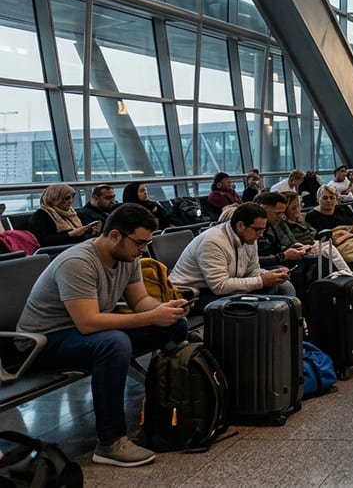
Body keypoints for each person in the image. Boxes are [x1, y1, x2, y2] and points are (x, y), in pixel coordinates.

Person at [17, 203, 188, 467]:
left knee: (174, 325)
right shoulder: (78, 262)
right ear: (116, 235)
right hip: (42, 343)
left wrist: (164, 309)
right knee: (113, 343)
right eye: (140, 243)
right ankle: (109, 441)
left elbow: (140, 300)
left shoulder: (127, 257)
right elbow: (88, 323)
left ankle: (167, 404)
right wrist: (149, 317)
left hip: (81, 333)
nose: (144, 250)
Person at [169, 203, 294, 312]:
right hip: (192, 295)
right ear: (240, 226)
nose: (261, 235)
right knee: (264, 295)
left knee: (275, 288)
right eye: (258, 230)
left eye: (263, 230)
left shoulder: (249, 237)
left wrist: (270, 274)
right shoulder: (213, 242)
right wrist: (262, 281)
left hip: (214, 289)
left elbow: (252, 271)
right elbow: (220, 286)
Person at [29, 183, 101, 247]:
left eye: (72, 197)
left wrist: (88, 233)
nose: (70, 201)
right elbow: (44, 241)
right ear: (55, 198)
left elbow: (77, 238)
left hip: (75, 248)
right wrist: (71, 234)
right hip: (56, 252)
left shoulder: (72, 213)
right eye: (67, 198)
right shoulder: (42, 215)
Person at [252, 192, 310, 270]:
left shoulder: (272, 225)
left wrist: (292, 248)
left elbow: (276, 249)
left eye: (282, 213)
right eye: (277, 213)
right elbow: (251, 261)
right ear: (263, 208)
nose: (281, 217)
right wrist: (283, 256)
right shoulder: (250, 229)